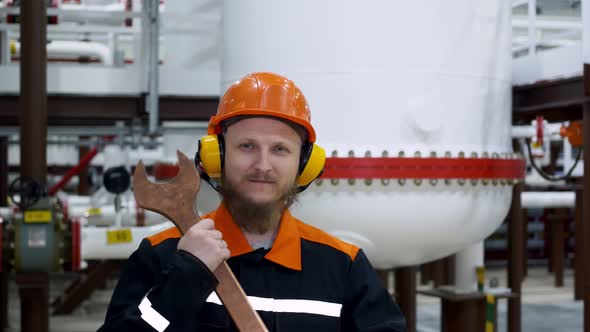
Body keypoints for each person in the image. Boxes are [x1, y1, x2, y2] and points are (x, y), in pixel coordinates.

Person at [98, 72, 406, 331]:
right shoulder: (161, 256)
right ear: (216, 157)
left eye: (280, 149)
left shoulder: (343, 266)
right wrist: (187, 275)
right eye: (246, 146)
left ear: (304, 164)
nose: (262, 164)